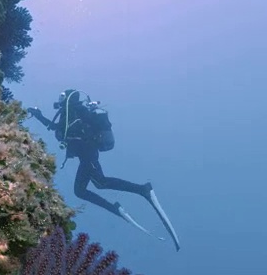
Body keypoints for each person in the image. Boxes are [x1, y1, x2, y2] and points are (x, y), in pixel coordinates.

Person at [27, 89, 181, 251]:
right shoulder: (70, 112)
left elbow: (65, 129)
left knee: (100, 182)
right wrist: (38, 114)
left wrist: (43, 116)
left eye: (61, 96)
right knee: (83, 189)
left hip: (88, 152)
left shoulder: (76, 110)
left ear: (67, 98)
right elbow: (55, 127)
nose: (59, 99)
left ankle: (143, 190)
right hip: (85, 154)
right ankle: (119, 206)